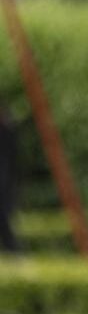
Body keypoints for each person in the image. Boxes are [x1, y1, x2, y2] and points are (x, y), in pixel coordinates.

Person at [0, 103, 19, 253]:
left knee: (3, 215)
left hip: (4, 180)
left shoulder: (7, 131)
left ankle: (12, 248)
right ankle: (12, 249)